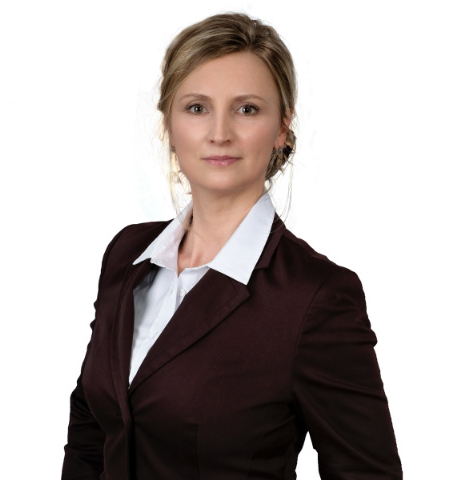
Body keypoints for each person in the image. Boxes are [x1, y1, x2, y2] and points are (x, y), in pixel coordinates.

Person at [61, 12, 402, 480]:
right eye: (196, 108)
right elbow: (91, 428)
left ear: (282, 127)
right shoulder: (127, 254)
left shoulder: (316, 297)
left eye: (247, 109)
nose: (219, 133)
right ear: (169, 126)